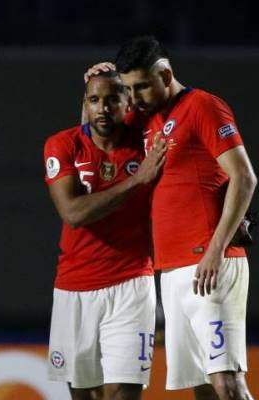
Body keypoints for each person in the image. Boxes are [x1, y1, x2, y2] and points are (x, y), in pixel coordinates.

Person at [106, 36, 256, 400]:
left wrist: (215, 249)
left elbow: (244, 176)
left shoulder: (202, 106)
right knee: (202, 387)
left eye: (142, 86)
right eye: (129, 88)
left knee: (227, 382)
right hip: (171, 271)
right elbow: (100, 128)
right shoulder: (149, 120)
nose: (135, 96)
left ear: (166, 74)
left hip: (210, 264)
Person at [43, 70, 167, 400]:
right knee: (86, 395)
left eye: (113, 99)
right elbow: (73, 213)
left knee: (124, 392)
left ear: (127, 103)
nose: (103, 108)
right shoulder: (63, 144)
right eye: (95, 100)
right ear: (84, 104)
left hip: (132, 284)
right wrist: (136, 180)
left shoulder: (144, 142)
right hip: (75, 287)